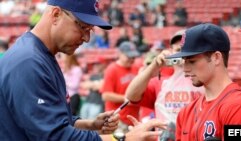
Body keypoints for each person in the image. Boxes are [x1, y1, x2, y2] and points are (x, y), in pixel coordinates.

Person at [0, 0, 166, 141]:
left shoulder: (42, 55)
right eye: (83, 27)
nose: (87, 38)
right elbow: (54, 136)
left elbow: (54, 119)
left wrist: (90, 125)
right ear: (56, 14)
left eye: (90, 31)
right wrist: (122, 138)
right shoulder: (29, 61)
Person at [163, 23, 241, 140]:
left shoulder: (238, 107)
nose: (185, 69)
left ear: (216, 58)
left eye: (192, 61)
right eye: (184, 61)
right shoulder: (185, 113)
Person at [125, 29, 204, 141]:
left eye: (186, 50)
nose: (182, 55)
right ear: (171, 51)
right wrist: (153, 65)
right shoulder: (162, 81)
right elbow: (131, 96)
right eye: (178, 50)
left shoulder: (205, 79)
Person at [101, 41, 141, 133]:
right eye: (129, 56)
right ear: (120, 54)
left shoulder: (136, 67)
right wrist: (126, 99)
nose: (132, 59)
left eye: (133, 57)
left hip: (133, 119)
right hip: (118, 120)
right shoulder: (112, 69)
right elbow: (105, 95)